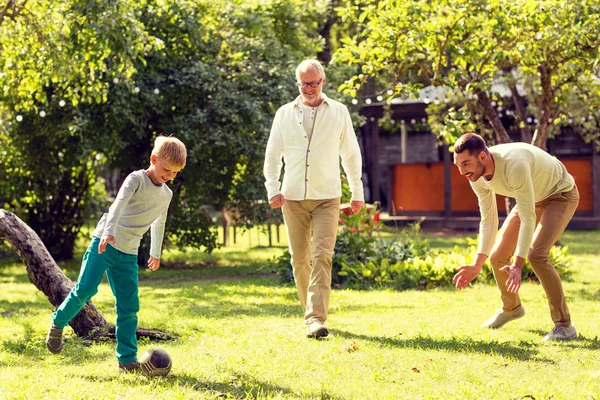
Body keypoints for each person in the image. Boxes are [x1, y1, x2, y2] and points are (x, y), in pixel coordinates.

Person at [45, 136, 187, 372]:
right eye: (166, 169)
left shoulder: (167, 194)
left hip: (129, 253)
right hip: (104, 242)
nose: (170, 175)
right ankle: (58, 321)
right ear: (154, 159)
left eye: (175, 172)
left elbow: (159, 222)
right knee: (85, 289)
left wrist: (155, 253)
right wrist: (108, 233)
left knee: (129, 307)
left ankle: (127, 360)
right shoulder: (136, 179)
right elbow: (117, 205)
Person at [263, 59, 365, 339]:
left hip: (327, 197)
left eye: (314, 82)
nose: (309, 88)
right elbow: (273, 155)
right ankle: (310, 311)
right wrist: (273, 188)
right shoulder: (284, 114)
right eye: (303, 83)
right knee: (299, 259)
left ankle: (315, 317)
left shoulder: (339, 112)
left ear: (323, 81)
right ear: (298, 83)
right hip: (292, 198)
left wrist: (358, 193)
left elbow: (351, 154)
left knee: (322, 256)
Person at [451, 133, 579, 341]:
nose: (462, 172)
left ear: (482, 157)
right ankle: (511, 308)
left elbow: (528, 217)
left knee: (537, 255)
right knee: (497, 256)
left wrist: (518, 265)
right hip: (532, 198)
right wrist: (477, 264)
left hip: (560, 194)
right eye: (458, 166)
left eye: (466, 164)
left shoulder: (514, 163)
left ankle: (564, 326)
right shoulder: (476, 176)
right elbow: (489, 220)